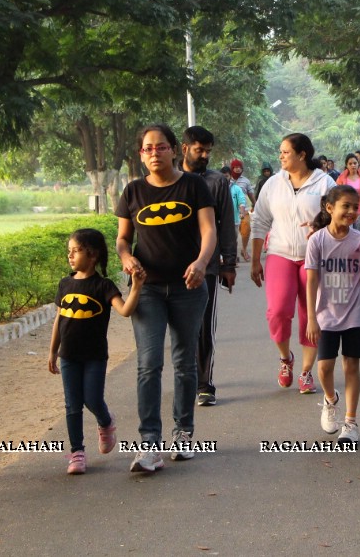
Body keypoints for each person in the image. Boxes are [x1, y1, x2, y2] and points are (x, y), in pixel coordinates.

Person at [117, 123, 217, 473]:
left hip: (189, 288)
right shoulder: (132, 191)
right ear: (141, 154)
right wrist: (126, 258)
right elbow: (122, 240)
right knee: (148, 365)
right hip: (148, 290)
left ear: (174, 150)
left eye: (161, 147)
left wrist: (202, 262)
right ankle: (149, 444)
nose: (154, 153)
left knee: (185, 362)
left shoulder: (193, 185)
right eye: (147, 148)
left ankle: (184, 432)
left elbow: (208, 230)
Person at [48, 229, 144, 474]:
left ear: (92, 255)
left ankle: (106, 422)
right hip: (68, 355)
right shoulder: (65, 283)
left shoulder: (103, 286)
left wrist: (136, 287)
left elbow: (125, 311)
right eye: (68, 251)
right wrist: (52, 352)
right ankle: (77, 452)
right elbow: (59, 320)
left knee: (91, 399)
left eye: (76, 251)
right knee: (72, 404)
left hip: (94, 356)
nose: (70, 256)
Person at [250, 133, 336, 393]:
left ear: (302, 155)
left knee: (311, 315)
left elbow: (339, 215)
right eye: (280, 152)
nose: (281, 156)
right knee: (277, 312)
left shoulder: (325, 183)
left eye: (286, 152)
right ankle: (286, 359)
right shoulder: (273, 184)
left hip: (315, 256)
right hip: (280, 253)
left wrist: (320, 226)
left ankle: (307, 371)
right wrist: (255, 260)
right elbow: (260, 221)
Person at [304, 185, 360, 443]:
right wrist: (312, 318)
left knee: (351, 366)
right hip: (326, 316)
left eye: (355, 207)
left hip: (354, 314)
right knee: (323, 368)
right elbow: (311, 281)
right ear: (330, 208)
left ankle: (350, 422)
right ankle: (330, 399)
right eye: (345, 206)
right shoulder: (317, 241)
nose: (351, 212)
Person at [181, 127, 238, 408]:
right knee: (180, 327)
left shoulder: (217, 182)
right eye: (198, 149)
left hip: (209, 267)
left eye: (207, 151)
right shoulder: (169, 180)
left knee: (204, 326)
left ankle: (204, 383)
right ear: (184, 149)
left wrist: (229, 263)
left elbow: (226, 223)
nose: (203, 155)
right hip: (172, 266)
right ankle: (186, 377)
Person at [335, 154, 360, 237]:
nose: (353, 165)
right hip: (345, 212)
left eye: (355, 163)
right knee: (346, 236)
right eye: (350, 163)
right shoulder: (341, 179)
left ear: (358, 164)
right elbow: (336, 197)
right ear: (346, 165)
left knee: (357, 237)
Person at [230, 159, 255, 264]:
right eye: (235, 167)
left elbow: (250, 194)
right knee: (232, 234)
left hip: (243, 210)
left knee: (246, 230)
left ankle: (243, 250)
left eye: (239, 167)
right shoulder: (226, 178)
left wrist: (255, 204)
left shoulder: (246, 181)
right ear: (232, 168)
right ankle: (233, 255)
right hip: (230, 211)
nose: (238, 169)